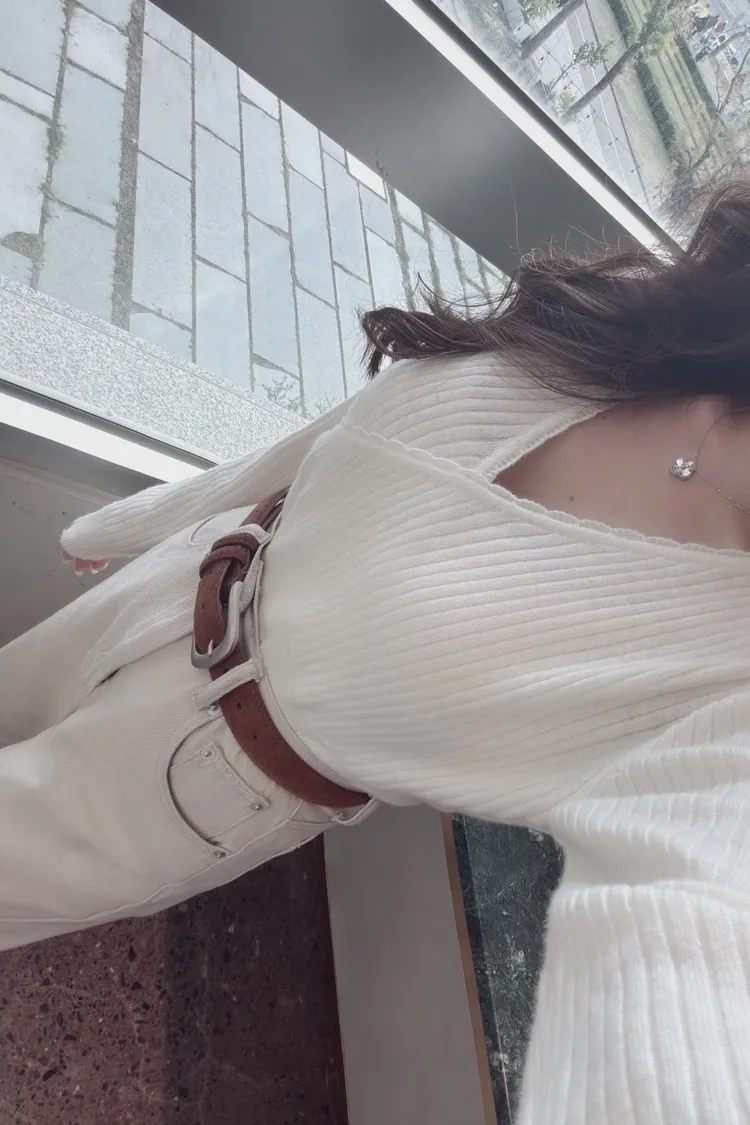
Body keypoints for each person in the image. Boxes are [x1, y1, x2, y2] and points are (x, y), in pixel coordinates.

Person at [2, 179, 750, 1121]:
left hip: (197, 778)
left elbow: (685, 953)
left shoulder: (729, 677)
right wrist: (133, 525)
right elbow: (324, 443)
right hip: (190, 577)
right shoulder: (662, 321)